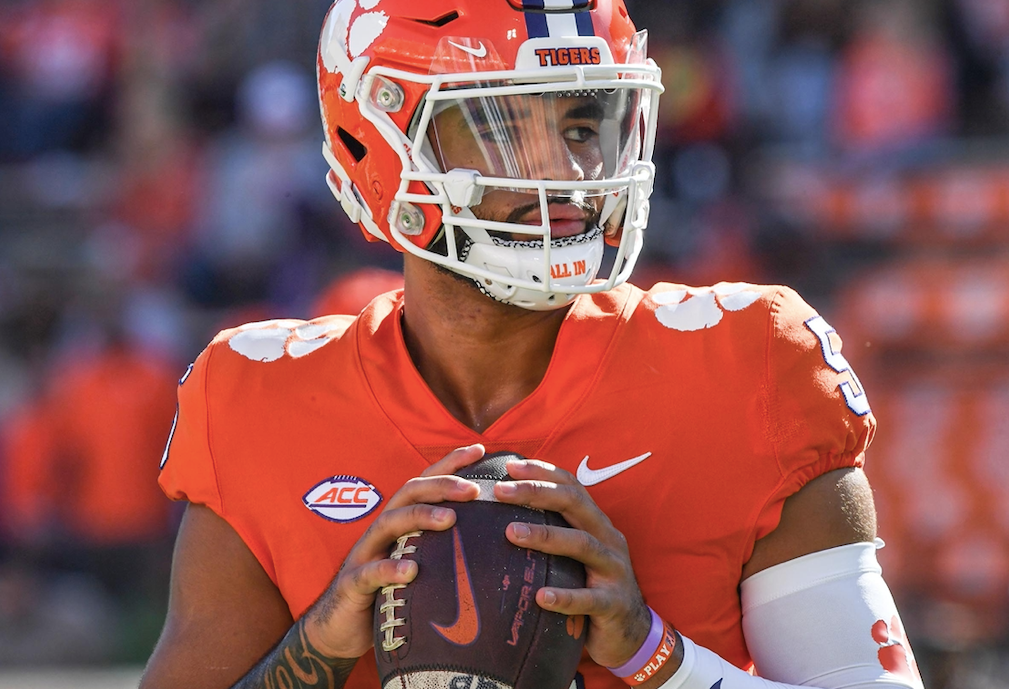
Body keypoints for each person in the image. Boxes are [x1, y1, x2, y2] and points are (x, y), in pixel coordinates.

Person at [141, 1, 926, 689]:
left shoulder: (749, 360)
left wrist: (652, 653)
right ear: (374, 141)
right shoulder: (259, 393)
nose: (569, 170)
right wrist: (317, 644)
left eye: (583, 123)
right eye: (499, 123)